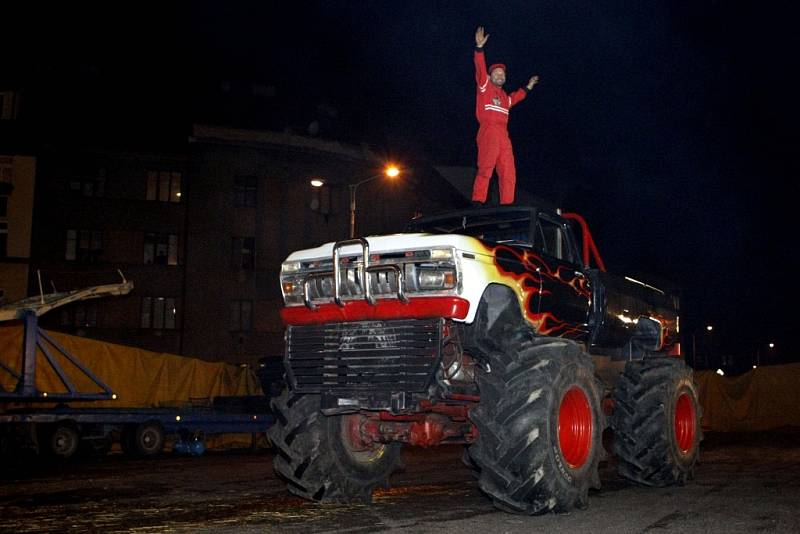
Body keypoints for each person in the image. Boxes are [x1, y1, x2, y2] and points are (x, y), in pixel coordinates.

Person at [472, 26, 539, 206]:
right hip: (488, 131)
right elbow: (480, 68)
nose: (500, 75)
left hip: (503, 135)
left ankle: (507, 205)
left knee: (509, 171)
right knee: (486, 167)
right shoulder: (485, 86)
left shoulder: (504, 97)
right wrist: (479, 49)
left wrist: (529, 86)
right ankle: (478, 200)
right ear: (490, 76)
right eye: (497, 73)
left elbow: (516, 97)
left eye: (503, 74)